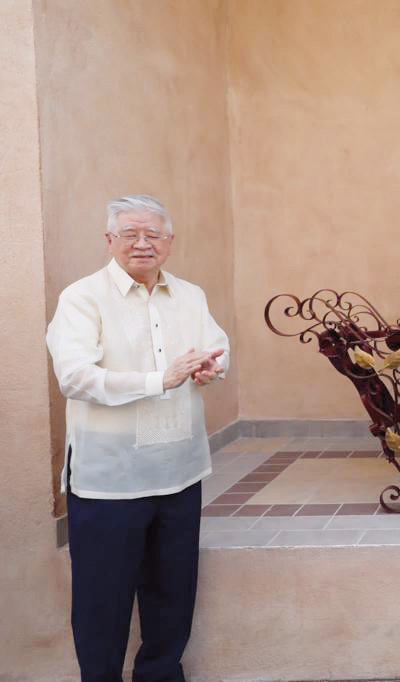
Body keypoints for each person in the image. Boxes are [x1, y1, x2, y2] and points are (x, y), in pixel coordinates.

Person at [46, 195, 229, 682]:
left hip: (180, 471)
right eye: (130, 233)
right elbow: (74, 377)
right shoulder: (81, 298)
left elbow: (217, 344)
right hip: (111, 482)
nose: (142, 243)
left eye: (153, 235)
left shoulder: (190, 295)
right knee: (102, 604)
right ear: (110, 240)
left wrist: (212, 366)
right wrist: (159, 380)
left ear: (169, 242)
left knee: (172, 598)